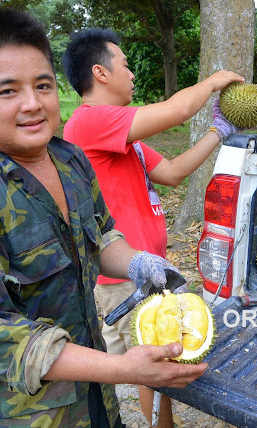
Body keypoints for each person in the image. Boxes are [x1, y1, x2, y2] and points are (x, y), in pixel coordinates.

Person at [0, 8, 207, 428]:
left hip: (97, 400)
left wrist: (139, 262)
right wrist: (126, 369)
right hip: (25, 415)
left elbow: (102, 235)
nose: (32, 104)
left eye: (43, 85)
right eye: (8, 91)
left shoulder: (70, 160)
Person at [61, 29, 243, 427]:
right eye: (125, 65)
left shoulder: (127, 140)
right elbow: (177, 111)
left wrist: (218, 132)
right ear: (100, 73)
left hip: (151, 268)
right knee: (147, 363)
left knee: (164, 352)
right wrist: (213, 82)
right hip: (124, 278)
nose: (131, 74)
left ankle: (164, 422)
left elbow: (174, 173)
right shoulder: (88, 122)